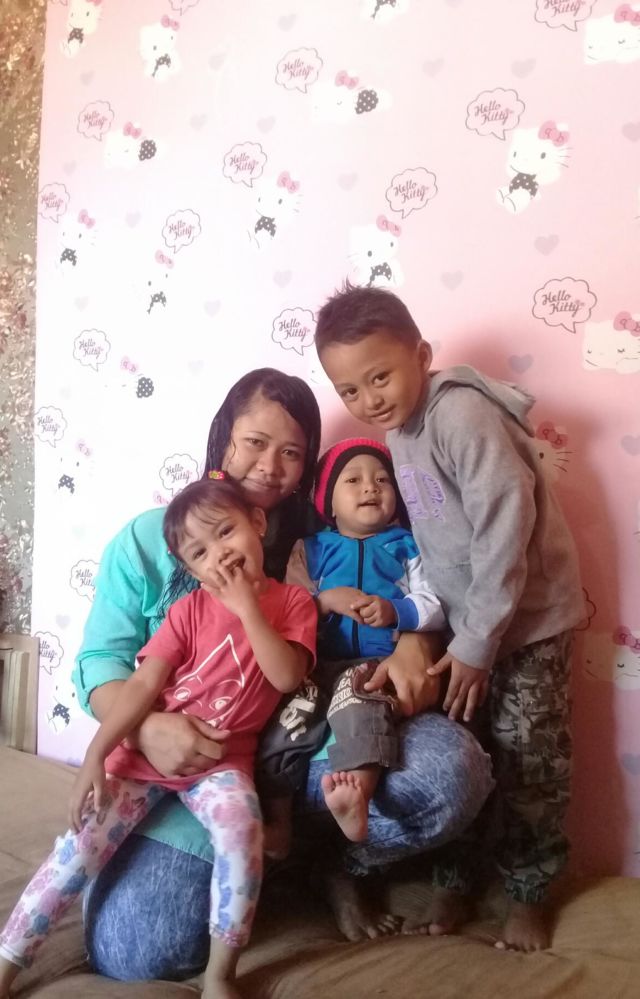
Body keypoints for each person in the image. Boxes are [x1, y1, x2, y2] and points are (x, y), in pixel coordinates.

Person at [72, 367, 494, 976]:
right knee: (135, 951)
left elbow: (412, 588)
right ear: (223, 438)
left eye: (292, 453)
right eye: (254, 442)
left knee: (449, 774)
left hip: (308, 741)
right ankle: (269, 857)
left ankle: (325, 860)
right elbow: (100, 665)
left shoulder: (318, 535)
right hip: (192, 774)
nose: (270, 466)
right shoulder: (148, 540)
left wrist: (415, 640)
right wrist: (146, 729)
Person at [314, 284, 585, 952]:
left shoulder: (459, 412)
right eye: (350, 390)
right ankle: (455, 878)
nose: (369, 398)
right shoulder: (399, 434)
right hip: (468, 632)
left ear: (421, 355)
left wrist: (477, 640)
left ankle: (527, 893)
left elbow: (505, 524)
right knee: (475, 750)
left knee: (529, 761)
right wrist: (443, 633)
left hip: (527, 627)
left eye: (380, 376)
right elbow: (437, 545)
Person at [0, 475, 318, 999]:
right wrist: (97, 753)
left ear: (258, 523)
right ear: (190, 571)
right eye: (199, 552)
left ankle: (219, 976)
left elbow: (286, 676)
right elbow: (143, 684)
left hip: (220, 766)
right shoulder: (188, 610)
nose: (220, 554)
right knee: (76, 851)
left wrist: (248, 608)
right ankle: (8, 965)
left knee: (243, 833)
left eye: (226, 532)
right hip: (144, 762)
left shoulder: (295, 604)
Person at [284, 436, 446, 844]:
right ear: (329, 503)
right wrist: (324, 602)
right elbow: (288, 606)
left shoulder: (408, 545)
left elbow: (435, 601)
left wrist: (397, 611)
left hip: (374, 667)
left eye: (382, 480)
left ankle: (358, 788)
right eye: (353, 480)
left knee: (362, 701)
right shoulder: (311, 549)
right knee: (285, 723)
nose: (370, 487)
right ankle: (276, 814)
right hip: (316, 665)